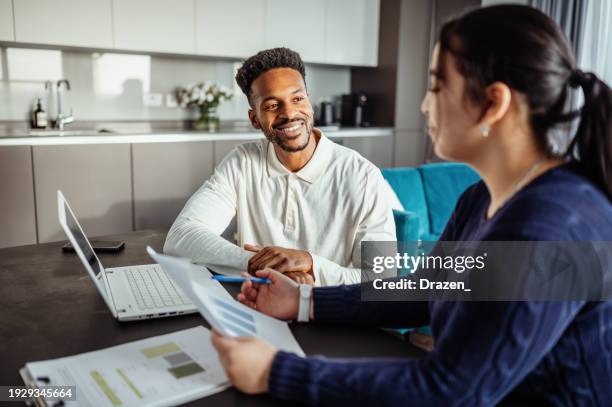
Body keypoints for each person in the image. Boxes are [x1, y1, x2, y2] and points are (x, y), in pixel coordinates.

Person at [210, 5, 612, 405]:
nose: (423, 105)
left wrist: (274, 371)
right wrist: (303, 301)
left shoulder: (549, 225)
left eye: (437, 86)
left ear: (493, 103)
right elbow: (428, 288)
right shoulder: (482, 199)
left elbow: (453, 391)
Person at [164, 47, 396, 286]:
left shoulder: (364, 176)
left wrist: (311, 264)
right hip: (257, 308)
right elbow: (181, 238)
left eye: (297, 99)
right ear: (255, 119)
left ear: (310, 102)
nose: (289, 113)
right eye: (272, 105)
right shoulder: (242, 162)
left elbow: (382, 280)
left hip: (332, 315)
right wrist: (263, 264)